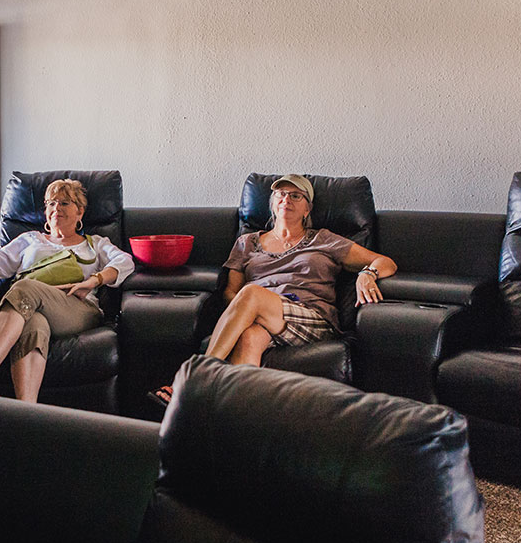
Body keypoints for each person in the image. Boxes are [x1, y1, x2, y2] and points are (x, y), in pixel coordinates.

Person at [148, 174, 397, 406]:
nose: (286, 199)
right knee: (250, 337)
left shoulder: (324, 239)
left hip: (311, 318)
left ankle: (198, 375)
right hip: (261, 316)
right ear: (272, 203)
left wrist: (368, 274)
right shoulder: (247, 243)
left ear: (307, 208)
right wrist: (249, 314)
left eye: (295, 195)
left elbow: (385, 262)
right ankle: (235, 424)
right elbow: (230, 293)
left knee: (252, 293)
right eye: (280, 194)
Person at [0, 178, 135, 402]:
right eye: (51, 203)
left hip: (77, 308)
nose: (56, 208)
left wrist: (95, 280)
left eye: (65, 203)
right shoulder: (30, 240)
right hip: (29, 307)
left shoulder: (94, 243)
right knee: (34, 323)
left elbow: (125, 262)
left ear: (80, 212)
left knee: (24, 287)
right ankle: (27, 411)